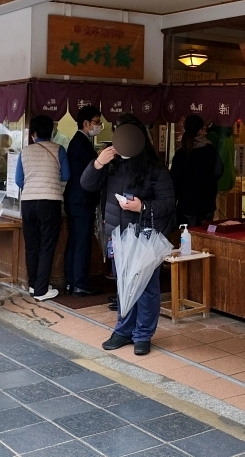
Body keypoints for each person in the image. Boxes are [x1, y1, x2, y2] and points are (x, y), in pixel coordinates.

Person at [81, 113, 175, 356]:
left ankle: (143, 334)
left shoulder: (154, 168)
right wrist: (98, 163)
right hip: (118, 235)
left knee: (146, 287)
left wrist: (142, 206)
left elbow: (168, 202)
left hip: (146, 235)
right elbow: (86, 184)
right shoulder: (110, 163)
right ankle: (123, 330)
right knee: (123, 283)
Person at [15, 115, 69, 302]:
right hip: (50, 201)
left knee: (32, 245)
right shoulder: (59, 149)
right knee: (47, 246)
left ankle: (33, 285)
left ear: (34, 134)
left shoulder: (25, 152)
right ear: (52, 132)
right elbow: (66, 176)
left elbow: (19, 181)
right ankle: (41, 290)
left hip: (28, 202)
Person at [63, 104, 103, 296]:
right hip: (82, 200)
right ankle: (79, 282)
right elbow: (93, 171)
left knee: (75, 241)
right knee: (81, 242)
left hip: (75, 199)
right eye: (97, 122)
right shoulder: (81, 143)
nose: (100, 126)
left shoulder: (79, 141)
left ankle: (72, 281)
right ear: (86, 123)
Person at [170, 114, 224, 228]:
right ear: (201, 130)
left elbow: (174, 181)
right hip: (206, 205)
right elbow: (219, 171)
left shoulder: (180, 153)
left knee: (186, 239)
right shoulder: (210, 150)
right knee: (204, 239)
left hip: (185, 206)